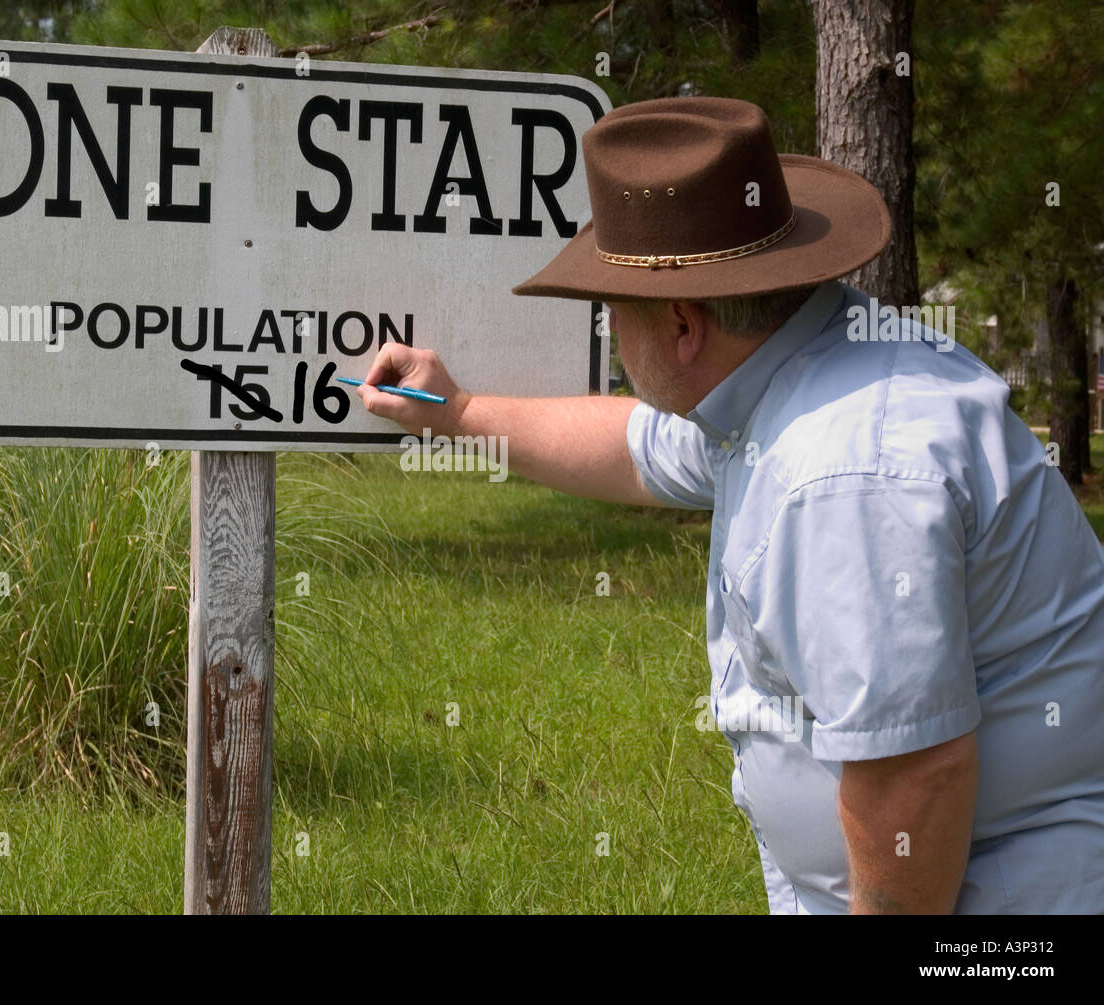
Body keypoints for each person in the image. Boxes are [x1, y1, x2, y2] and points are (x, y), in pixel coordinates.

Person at [350, 97, 1104, 915]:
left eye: (614, 306)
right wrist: (459, 413)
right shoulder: (797, 366)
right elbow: (638, 449)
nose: (609, 331)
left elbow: (913, 779)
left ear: (681, 324)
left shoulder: (842, 476)